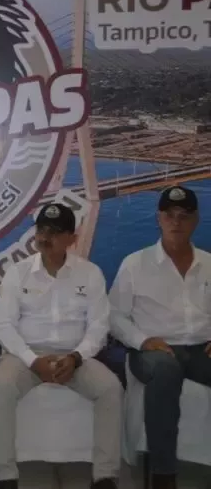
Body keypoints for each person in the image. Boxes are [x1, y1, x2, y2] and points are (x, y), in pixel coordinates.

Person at [0, 203, 122, 489]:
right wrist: (31, 360)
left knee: (110, 388)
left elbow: (99, 327)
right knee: (1, 387)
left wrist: (76, 358)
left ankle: (104, 475)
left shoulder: (90, 273)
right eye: (41, 230)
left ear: (72, 238)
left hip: (74, 357)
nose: (45, 237)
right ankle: (5, 476)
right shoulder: (18, 273)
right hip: (24, 355)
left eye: (54, 231)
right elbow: (3, 326)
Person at [109, 185, 211, 489]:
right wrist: (142, 341)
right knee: (165, 371)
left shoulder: (209, 264)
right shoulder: (135, 264)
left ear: (196, 220)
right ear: (159, 218)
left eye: (184, 215)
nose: (176, 222)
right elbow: (114, 317)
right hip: (153, 350)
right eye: (169, 215)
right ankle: (163, 476)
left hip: (202, 349)